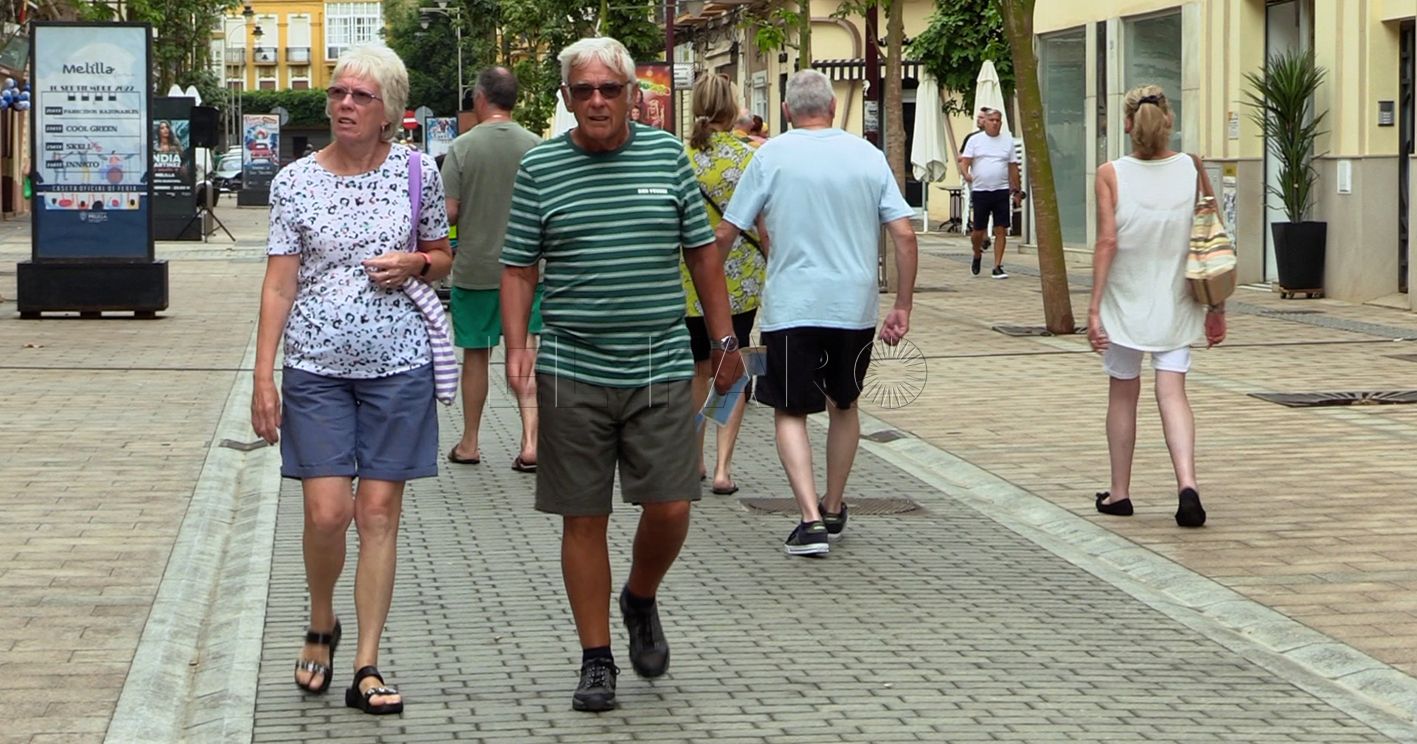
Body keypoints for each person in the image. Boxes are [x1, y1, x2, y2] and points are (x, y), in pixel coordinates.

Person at [500, 36, 740, 713]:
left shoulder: (666, 156)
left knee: (670, 504)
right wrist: (517, 348)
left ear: (633, 94)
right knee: (583, 517)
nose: (597, 100)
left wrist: (724, 342)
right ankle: (596, 658)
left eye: (610, 89)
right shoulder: (541, 167)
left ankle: (639, 595)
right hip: (572, 365)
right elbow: (517, 269)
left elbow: (702, 255)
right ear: (567, 98)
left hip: (660, 360)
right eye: (584, 91)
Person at [251, 44, 452, 716]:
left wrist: (414, 262)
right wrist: (262, 375)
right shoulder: (295, 182)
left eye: (360, 96)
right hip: (314, 368)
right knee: (326, 511)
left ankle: (365, 662)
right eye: (338, 93)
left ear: (389, 110)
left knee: (377, 514)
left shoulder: (419, 173)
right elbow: (279, 283)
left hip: (399, 368)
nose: (344, 104)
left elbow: (443, 256)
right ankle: (319, 617)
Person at [715, 69, 917, 557]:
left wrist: (708, 294)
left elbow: (727, 232)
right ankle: (832, 504)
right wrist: (903, 305)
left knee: (790, 409)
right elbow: (905, 235)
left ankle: (808, 521)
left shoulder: (771, 155)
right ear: (833, 109)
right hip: (854, 306)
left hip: (792, 306)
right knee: (844, 405)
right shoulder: (867, 155)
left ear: (786, 111)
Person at [1087, 84, 1225, 528]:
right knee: (1173, 393)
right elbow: (1211, 235)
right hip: (1178, 300)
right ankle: (1188, 485)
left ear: (1127, 125)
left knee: (1123, 394)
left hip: (1123, 301)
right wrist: (1216, 307)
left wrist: (1093, 308)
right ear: (1169, 121)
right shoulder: (1192, 166)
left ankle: (1120, 493)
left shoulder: (1110, 173)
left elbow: (1108, 241)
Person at [441, 66, 544, 472]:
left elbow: (449, 211)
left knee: (477, 357)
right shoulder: (537, 146)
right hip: (528, 268)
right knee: (525, 353)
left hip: (477, 269)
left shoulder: (462, 148)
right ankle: (531, 440)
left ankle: (469, 442)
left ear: (480, 99)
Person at [684, 73, 769, 496]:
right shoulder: (750, 158)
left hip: (688, 279)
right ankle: (722, 468)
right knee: (732, 363)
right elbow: (763, 223)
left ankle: (694, 460)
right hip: (741, 278)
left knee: (698, 367)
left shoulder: (678, 158)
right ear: (732, 108)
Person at [960, 108, 1021, 278]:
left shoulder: (1007, 142)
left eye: (997, 120)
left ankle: (997, 265)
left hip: (1001, 190)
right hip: (981, 190)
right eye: (992, 120)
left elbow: (1013, 167)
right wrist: (966, 174)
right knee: (978, 232)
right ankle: (977, 253)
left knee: (1000, 229)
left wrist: (1016, 189)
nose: (995, 123)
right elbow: (965, 162)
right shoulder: (975, 140)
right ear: (984, 122)